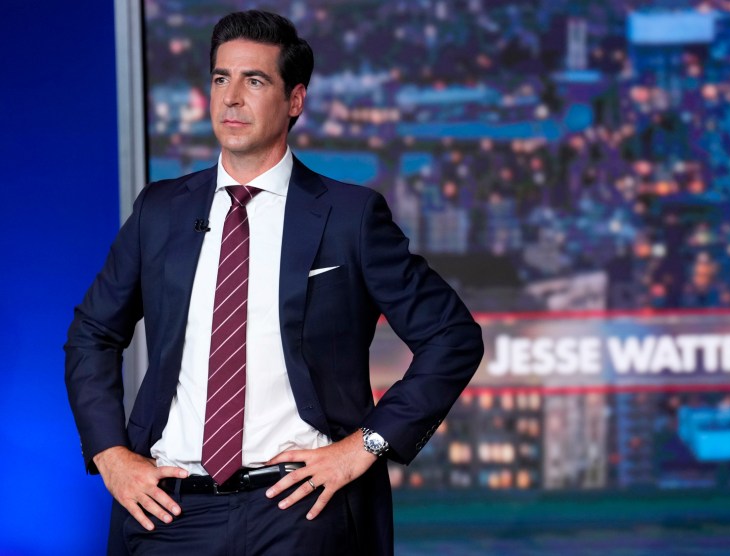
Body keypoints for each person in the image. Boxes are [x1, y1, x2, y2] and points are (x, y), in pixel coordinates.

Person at [65, 10, 483, 555]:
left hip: (301, 513)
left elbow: (452, 337)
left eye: (255, 81)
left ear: (295, 100)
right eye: (221, 78)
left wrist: (365, 446)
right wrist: (110, 455)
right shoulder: (160, 211)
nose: (231, 97)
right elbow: (92, 334)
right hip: (170, 514)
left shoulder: (349, 216)